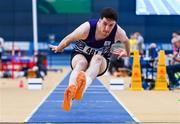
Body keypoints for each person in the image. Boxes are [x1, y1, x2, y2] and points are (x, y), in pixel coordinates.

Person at [49, 7, 130, 111]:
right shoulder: (87, 28)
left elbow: (126, 41)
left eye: (111, 25)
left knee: (97, 59)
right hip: (80, 55)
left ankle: (82, 86)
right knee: (81, 63)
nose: (107, 28)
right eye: (105, 23)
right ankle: (71, 92)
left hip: (100, 62)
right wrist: (59, 47)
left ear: (115, 24)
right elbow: (69, 38)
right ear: (99, 21)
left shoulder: (118, 32)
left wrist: (127, 53)